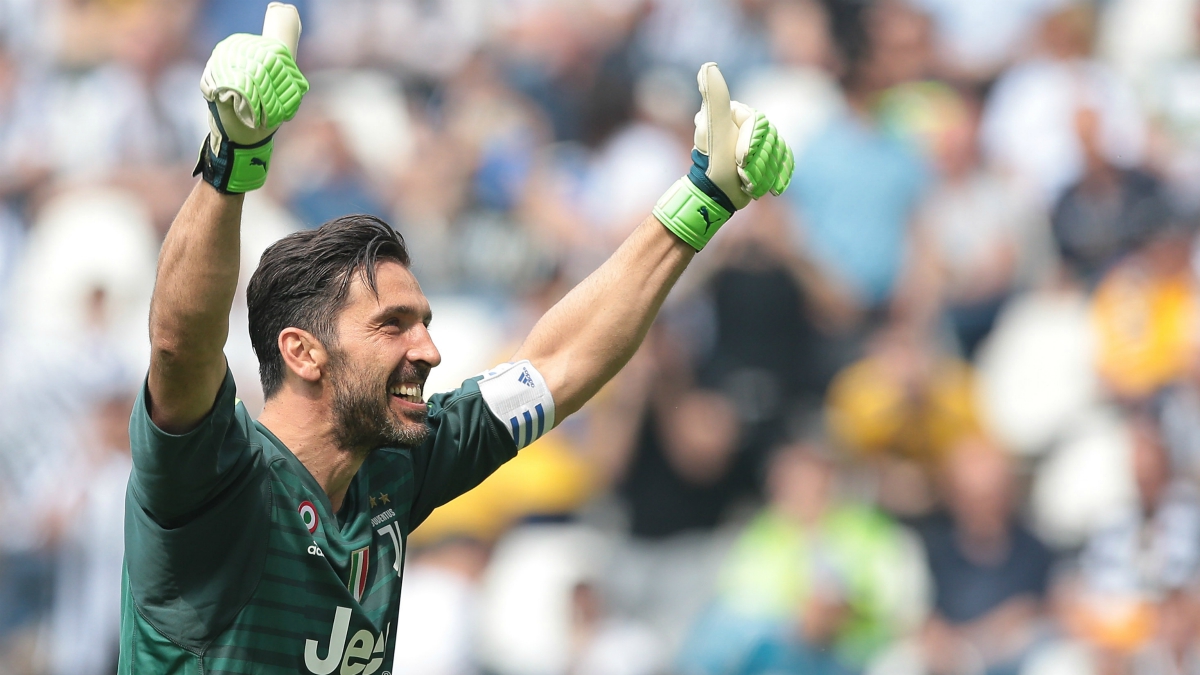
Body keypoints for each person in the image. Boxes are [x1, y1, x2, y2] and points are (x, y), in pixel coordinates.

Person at [118, 4, 795, 673]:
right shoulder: (216, 481)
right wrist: (232, 157)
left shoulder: (393, 469)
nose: (428, 351)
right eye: (393, 326)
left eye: (425, 325)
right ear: (302, 351)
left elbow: (557, 364)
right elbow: (179, 345)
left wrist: (702, 199)